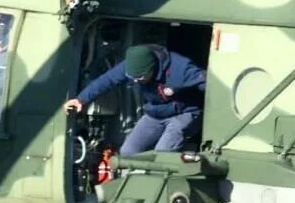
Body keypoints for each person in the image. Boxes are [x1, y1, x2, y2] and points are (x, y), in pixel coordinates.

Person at [64, 44, 206, 155]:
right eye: (133, 79)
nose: (137, 82)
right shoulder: (131, 66)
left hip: (184, 113)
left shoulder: (182, 69)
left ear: (153, 68)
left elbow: (210, 85)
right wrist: (81, 99)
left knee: (163, 154)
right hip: (155, 113)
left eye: (141, 78)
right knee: (128, 152)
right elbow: (107, 80)